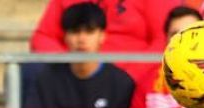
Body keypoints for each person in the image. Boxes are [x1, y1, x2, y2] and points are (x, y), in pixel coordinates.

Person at [30, 0, 181, 85]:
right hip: (75, 78)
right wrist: (71, 70)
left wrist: (129, 77)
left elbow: (165, 40)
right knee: (31, 71)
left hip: (135, 81)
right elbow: (43, 37)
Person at [24, 2, 134, 108]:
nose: (82, 39)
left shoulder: (121, 83)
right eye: (75, 32)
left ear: (102, 36)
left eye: (89, 32)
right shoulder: (45, 81)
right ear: (65, 37)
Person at [130, 5, 202, 108]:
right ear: (166, 40)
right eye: (175, 35)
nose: (183, 41)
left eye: (191, 34)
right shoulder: (147, 82)